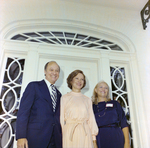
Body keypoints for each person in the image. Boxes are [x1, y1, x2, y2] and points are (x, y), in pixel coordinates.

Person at [16, 61, 62, 148]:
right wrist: (21, 136)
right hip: (36, 139)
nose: (54, 73)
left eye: (57, 71)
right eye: (51, 70)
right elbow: (23, 112)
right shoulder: (34, 86)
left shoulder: (59, 94)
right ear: (45, 71)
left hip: (55, 141)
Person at [60, 70, 98, 148]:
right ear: (71, 80)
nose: (79, 81)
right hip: (69, 134)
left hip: (85, 134)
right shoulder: (65, 98)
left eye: (82, 79)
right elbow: (61, 119)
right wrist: (62, 135)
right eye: (76, 78)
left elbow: (91, 120)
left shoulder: (87, 100)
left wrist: (94, 140)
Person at [92, 81, 130, 148]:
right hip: (100, 139)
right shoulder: (92, 107)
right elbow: (90, 127)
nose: (103, 89)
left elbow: (124, 123)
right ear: (96, 90)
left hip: (116, 136)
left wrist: (127, 143)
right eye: (101, 87)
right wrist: (94, 143)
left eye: (106, 88)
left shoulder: (115, 104)